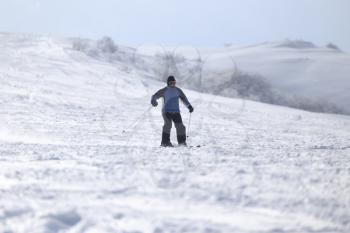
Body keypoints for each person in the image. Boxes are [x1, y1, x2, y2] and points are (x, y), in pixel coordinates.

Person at [151, 76, 194, 147]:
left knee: (180, 126)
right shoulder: (165, 90)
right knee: (168, 125)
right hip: (166, 111)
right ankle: (165, 142)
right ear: (168, 83)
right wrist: (153, 100)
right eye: (171, 83)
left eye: (174, 83)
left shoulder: (178, 90)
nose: (173, 84)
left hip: (176, 112)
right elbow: (155, 95)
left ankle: (182, 142)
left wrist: (189, 106)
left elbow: (184, 99)